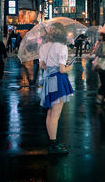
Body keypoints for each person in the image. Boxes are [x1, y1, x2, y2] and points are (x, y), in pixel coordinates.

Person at [39, 23, 74, 154]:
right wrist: (71, 66)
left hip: (49, 80)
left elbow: (42, 65)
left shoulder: (44, 47)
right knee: (55, 114)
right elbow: (62, 69)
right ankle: (53, 144)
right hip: (58, 80)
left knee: (50, 112)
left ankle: (52, 140)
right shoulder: (62, 47)